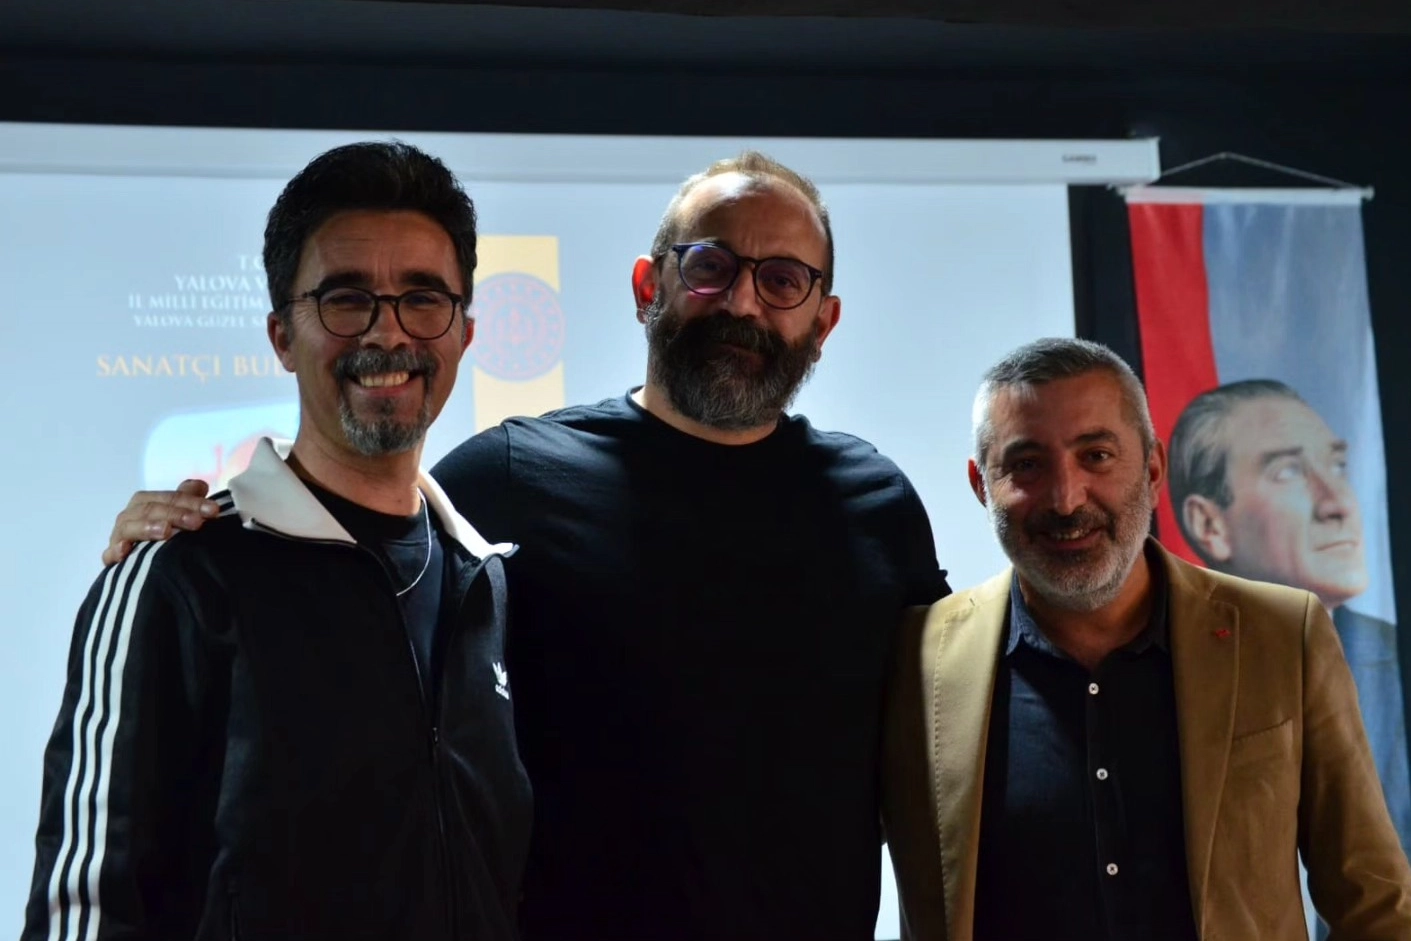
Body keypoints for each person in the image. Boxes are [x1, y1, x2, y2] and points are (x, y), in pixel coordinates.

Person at [102, 152, 951, 940]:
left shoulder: (876, 505)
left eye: (782, 279)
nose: (741, 302)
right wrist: (185, 536)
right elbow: (358, 535)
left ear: (824, 320)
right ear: (648, 286)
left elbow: (961, 719)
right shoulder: (506, 479)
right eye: (709, 265)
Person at [24, 141, 531, 940]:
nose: (388, 332)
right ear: (282, 336)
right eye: (345, 299)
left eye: (422, 297)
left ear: (464, 333)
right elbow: (85, 908)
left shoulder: (484, 584)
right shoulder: (179, 573)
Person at [882, 338, 1411, 941]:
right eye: (1026, 464)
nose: (1066, 498)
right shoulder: (916, 661)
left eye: (1097, 455)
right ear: (981, 484)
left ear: (1154, 469)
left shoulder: (1282, 635)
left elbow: (1374, 903)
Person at [1168, 378, 1411, 852]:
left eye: (1337, 466)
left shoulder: (1394, 658)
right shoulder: (1162, 674)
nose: (1338, 503)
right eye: (1288, 472)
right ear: (1210, 524)